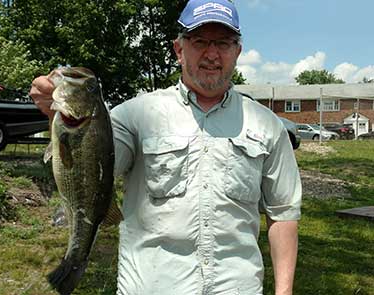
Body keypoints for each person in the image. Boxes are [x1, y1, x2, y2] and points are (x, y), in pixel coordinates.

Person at [30, 0, 301, 294]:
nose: (212, 54)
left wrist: (283, 291)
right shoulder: (132, 116)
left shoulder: (267, 125)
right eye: (199, 41)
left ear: (238, 50)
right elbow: (93, 164)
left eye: (223, 42)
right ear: (179, 49)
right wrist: (54, 111)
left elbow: (283, 214)